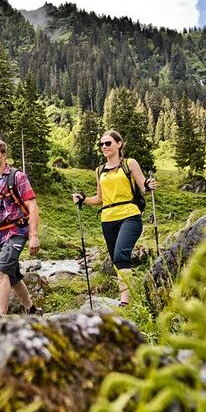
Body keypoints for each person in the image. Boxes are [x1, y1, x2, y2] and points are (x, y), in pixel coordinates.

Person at [71, 130, 157, 307]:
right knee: (117, 260)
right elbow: (100, 198)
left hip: (130, 215)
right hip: (107, 219)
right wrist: (83, 199)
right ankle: (132, 295)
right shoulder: (100, 170)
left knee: (120, 255)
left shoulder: (129, 164)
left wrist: (149, 185)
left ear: (119, 144)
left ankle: (125, 303)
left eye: (108, 143)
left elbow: (144, 188)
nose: (104, 147)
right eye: (101, 144)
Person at [0, 139, 41, 316]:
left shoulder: (17, 177)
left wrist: (34, 235)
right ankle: (32, 309)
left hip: (18, 231)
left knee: (1, 270)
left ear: (4, 155)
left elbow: (32, 206)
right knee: (12, 276)